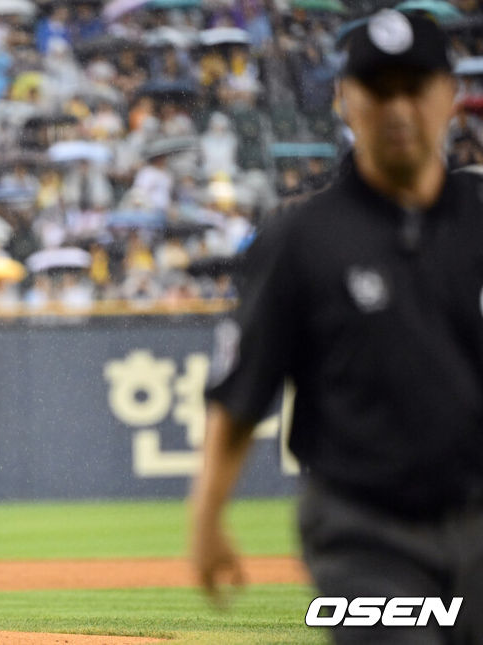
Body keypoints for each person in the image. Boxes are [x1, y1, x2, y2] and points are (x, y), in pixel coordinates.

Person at [190, 10, 483, 644]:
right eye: (379, 88)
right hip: (361, 526)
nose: (398, 107)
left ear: (450, 97)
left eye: (416, 86)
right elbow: (240, 391)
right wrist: (207, 517)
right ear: (346, 101)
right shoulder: (301, 238)